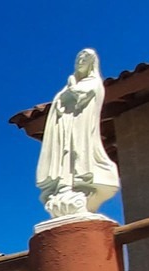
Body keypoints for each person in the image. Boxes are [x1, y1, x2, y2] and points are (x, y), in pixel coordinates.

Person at [36, 49, 119, 215]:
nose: (80, 61)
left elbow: (82, 96)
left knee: (79, 152)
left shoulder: (93, 82)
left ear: (92, 63)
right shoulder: (69, 85)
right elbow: (60, 103)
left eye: (85, 59)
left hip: (81, 127)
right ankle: (64, 184)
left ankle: (81, 182)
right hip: (65, 126)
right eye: (78, 59)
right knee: (65, 157)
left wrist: (72, 87)